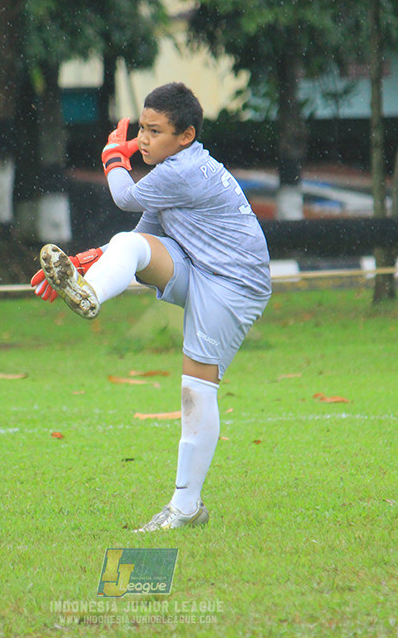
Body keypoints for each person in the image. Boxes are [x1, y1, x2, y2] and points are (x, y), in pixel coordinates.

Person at [32, 82, 271, 532]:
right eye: (140, 128)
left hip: (234, 282)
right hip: (199, 267)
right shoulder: (172, 166)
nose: (142, 140)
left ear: (186, 136)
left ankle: (186, 507)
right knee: (127, 242)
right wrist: (95, 258)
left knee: (196, 389)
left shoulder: (183, 170)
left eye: (155, 131)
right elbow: (142, 236)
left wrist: (111, 156)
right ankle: (89, 293)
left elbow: (124, 196)